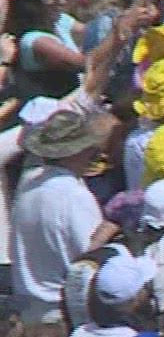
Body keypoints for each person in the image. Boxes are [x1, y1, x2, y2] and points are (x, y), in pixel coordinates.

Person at [13, 111, 111, 324]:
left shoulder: (28, 183)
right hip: (63, 313)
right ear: (77, 151)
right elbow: (90, 259)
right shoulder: (74, 196)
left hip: (28, 309)